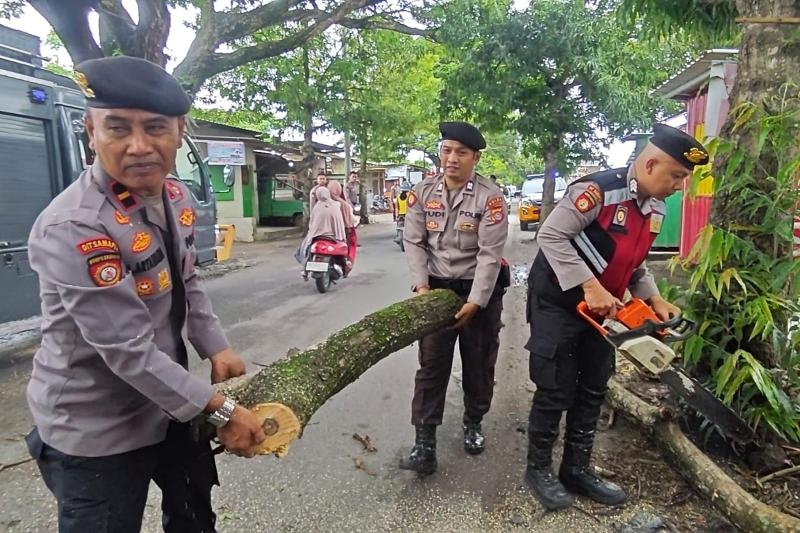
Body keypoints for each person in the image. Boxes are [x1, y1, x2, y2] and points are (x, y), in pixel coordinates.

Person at [24, 56, 267, 533]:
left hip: (170, 403)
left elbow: (187, 280)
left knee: (194, 519)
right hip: (97, 429)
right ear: (91, 132)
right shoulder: (75, 224)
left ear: (179, 132)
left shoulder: (175, 196)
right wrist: (222, 409)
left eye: (155, 128)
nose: (139, 146)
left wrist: (215, 346)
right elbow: (128, 351)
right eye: (118, 128)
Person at [524, 123, 709, 510]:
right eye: (676, 175)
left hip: (604, 308)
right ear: (651, 164)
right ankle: (538, 469)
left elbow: (635, 264)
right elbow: (551, 235)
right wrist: (589, 285)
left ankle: (576, 468)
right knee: (555, 387)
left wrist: (654, 299)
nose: (680, 186)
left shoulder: (655, 208)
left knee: (594, 385)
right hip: (558, 301)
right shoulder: (599, 192)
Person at [400, 121, 509, 475]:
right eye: (446, 150)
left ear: (475, 158)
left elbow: (490, 254)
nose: (452, 158)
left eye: (461, 152)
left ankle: (474, 421)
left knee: (479, 364)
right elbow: (414, 241)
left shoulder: (490, 197)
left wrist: (476, 301)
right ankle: (424, 444)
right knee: (431, 366)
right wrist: (421, 288)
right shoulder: (422, 192)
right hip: (436, 291)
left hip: (479, 292)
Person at [296, 186, 347, 267]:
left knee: (305, 246)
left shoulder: (316, 207)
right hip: (333, 236)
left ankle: (305, 264)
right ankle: (344, 264)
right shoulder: (335, 205)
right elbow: (339, 223)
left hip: (317, 236)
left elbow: (312, 224)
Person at [327, 180, 358, 273]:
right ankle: (347, 264)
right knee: (350, 244)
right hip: (343, 231)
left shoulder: (322, 203)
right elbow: (351, 220)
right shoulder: (344, 204)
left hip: (324, 232)